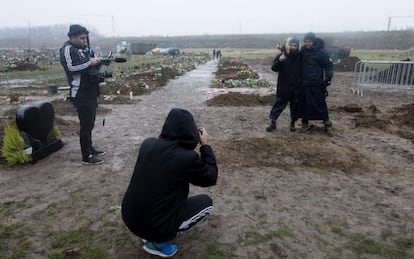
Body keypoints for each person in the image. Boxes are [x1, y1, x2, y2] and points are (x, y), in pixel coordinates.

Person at [121, 108, 218, 258]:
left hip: (129, 217)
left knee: (161, 194)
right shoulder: (187, 158)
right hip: (155, 227)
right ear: (191, 131)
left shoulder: (148, 144)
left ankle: (149, 233)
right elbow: (211, 177)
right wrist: (205, 146)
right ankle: (157, 243)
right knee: (207, 203)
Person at [60, 24, 105, 165]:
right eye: (81, 38)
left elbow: (93, 60)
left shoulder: (84, 48)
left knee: (90, 124)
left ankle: (90, 148)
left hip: (91, 90)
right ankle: (87, 156)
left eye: (86, 38)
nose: (84, 41)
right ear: (72, 37)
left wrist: (97, 62)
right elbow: (71, 68)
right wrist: (89, 63)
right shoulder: (68, 49)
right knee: (85, 125)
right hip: (80, 93)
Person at [299, 32, 334, 132]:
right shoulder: (303, 51)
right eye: (305, 41)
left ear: (313, 41)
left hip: (316, 83)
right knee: (304, 104)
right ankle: (305, 123)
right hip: (304, 83)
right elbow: (292, 54)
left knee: (320, 104)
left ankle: (327, 124)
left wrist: (329, 76)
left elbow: (328, 65)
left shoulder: (321, 52)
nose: (307, 44)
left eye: (309, 41)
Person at [266, 37, 302, 132]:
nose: (293, 47)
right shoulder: (281, 56)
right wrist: (280, 60)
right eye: (291, 45)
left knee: (295, 107)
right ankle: (273, 123)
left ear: (298, 46)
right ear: (288, 45)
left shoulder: (300, 57)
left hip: (296, 87)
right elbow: (274, 68)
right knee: (278, 105)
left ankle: (292, 124)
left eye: (295, 46)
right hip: (284, 86)